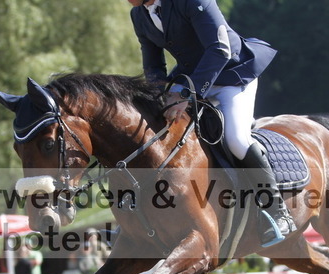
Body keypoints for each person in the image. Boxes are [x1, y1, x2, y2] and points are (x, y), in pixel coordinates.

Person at [127, 0, 296, 246]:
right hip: (189, 78)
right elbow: (153, 66)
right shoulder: (139, 15)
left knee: (236, 140)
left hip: (232, 75)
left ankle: (278, 211)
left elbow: (219, 49)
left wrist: (188, 94)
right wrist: (159, 97)